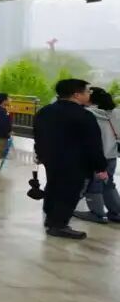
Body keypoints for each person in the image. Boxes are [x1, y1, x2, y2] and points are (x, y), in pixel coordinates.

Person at [34, 79, 108, 239]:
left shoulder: (45, 111)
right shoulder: (84, 115)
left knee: (53, 187)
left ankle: (51, 219)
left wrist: (40, 154)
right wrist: (101, 166)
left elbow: (38, 136)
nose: (89, 94)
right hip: (75, 162)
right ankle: (59, 225)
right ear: (76, 94)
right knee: (69, 193)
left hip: (51, 159)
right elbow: (93, 144)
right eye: (87, 91)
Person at [73, 87, 120, 225]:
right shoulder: (116, 113)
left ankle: (97, 213)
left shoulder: (87, 113)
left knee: (93, 184)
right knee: (108, 183)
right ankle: (116, 212)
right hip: (111, 154)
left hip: (94, 155)